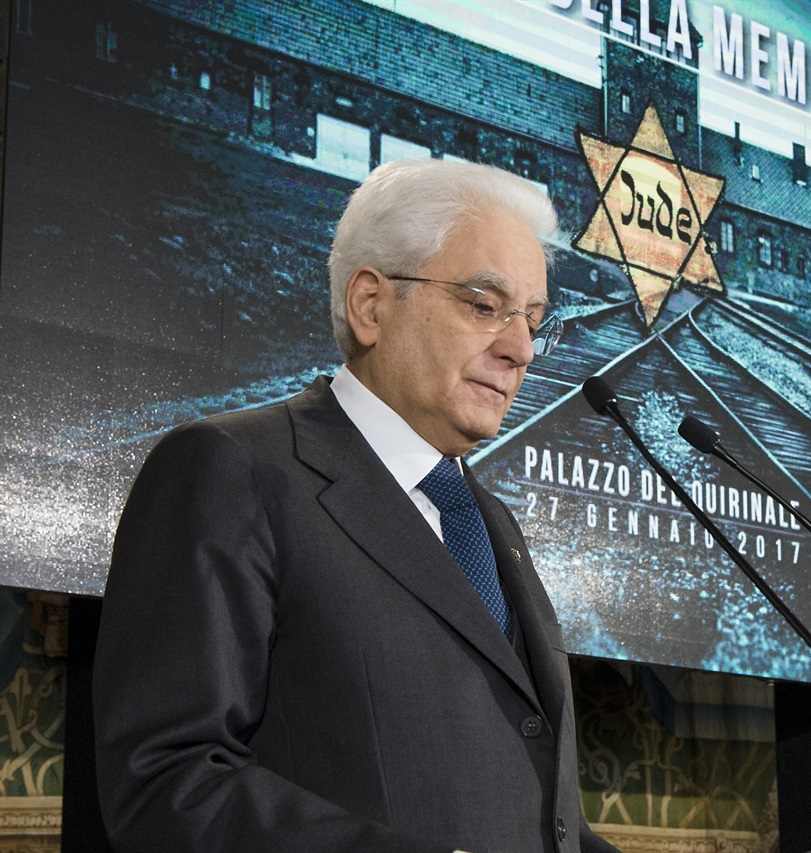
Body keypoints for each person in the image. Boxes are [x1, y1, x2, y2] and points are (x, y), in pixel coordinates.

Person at [93, 159, 619, 853]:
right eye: (484, 305)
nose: (521, 349)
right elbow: (169, 783)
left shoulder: (489, 521)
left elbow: (538, 817)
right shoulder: (233, 470)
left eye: (535, 321)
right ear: (371, 305)